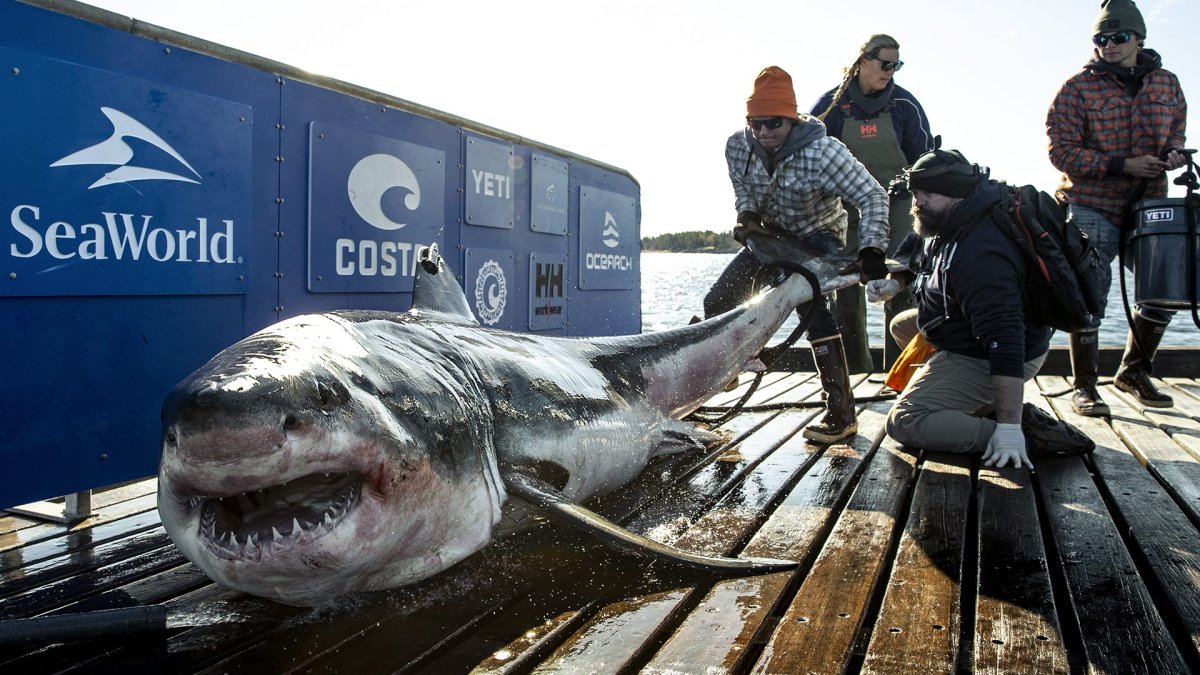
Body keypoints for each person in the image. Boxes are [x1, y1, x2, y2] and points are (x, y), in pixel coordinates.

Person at [867, 148, 1093, 467]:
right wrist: (894, 284)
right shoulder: (946, 218)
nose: (917, 202)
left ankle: (1021, 433)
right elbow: (915, 254)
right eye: (915, 193)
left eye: (928, 193)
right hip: (964, 331)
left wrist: (1009, 429)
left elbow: (1006, 341)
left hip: (997, 351)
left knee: (905, 421)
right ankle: (975, 402)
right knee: (903, 325)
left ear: (955, 192)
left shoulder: (980, 253)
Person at [703, 65, 890, 444]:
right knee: (718, 300)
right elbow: (743, 189)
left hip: (818, 235)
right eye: (755, 123)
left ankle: (841, 413)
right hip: (770, 235)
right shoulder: (737, 146)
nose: (763, 132)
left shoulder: (824, 153)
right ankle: (726, 369)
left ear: (791, 119)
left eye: (773, 123)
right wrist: (746, 215)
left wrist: (872, 250)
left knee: (811, 309)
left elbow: (872, 196)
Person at [1046, 0, 1188, 416]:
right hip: (1090, 205)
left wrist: (1174, 153)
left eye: (1118, 36)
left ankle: (1134, 373)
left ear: (1138, 38)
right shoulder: (1076, 88)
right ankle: (1085, 387)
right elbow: (1061, 152)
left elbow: (1176, 133)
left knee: (1164, 290)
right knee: (1089, 296)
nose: (1108, 45)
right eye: (1101, 39)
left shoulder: (1168, 84)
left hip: (1150, 206)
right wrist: (1121, 165)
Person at [811, 34, 935, 375]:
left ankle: (901, 374)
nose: (890, 71)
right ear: (863, 61)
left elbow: (925, 159)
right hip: (845, 209)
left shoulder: (905, 105)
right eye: (885, 63)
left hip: (899, 207)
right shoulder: (831, 106)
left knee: (899, 285)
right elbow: (809, 154)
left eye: (897, 65)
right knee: (846, 292)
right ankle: (855, 372)